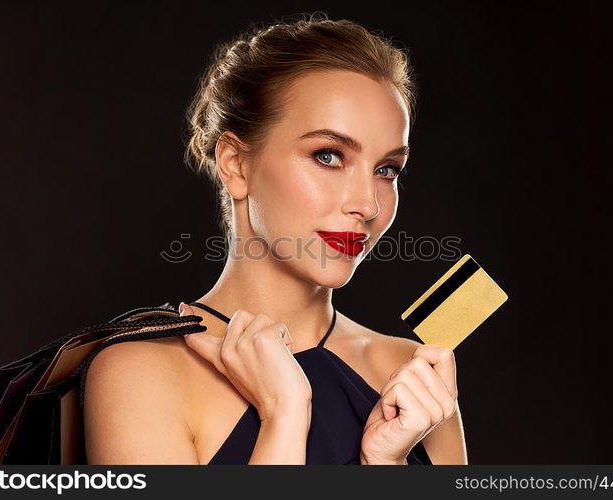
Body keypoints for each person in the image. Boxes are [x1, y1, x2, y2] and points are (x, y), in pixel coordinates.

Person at [83, 12, 468, 465]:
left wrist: (385, 467)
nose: (369, 205)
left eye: (387, 170)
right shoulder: (139, 374)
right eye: (328, 156)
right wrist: (283, 416)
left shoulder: (412, 375)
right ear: (235, 163)